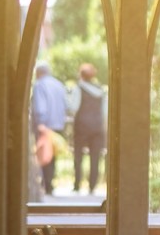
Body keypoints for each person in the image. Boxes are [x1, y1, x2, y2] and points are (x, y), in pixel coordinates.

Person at [28, 60, 68, 199]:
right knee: (52, 156)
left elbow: (40, 106)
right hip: (58, 125)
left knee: (44, 155)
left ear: (38, 73)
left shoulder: (40, 85)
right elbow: (65, 105)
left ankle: (46, 185)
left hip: (45, 125)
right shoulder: (59, 85)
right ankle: (50, 184)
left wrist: (40, 122)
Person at [72, 62, 106, 195]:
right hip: (97, 126)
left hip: (81, 126)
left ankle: (77, 184)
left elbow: (74, 107)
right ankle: (92, 185)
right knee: (95, 157)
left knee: (78, 156)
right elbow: (104, 111)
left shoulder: (78, 88)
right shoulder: (100, 90)